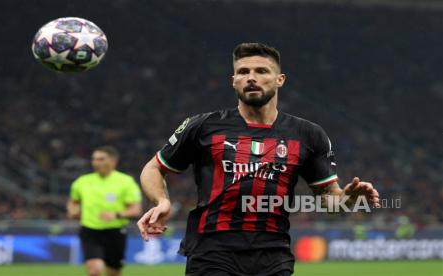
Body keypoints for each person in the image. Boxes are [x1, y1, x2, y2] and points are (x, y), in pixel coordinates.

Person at [137, 43, 380, 276]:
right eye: (243, 72)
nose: (251, 77)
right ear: (234, 81)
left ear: (279, 79)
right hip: (212, 251)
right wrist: (161, 201)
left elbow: (329, 198)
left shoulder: (308, 134)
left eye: (261, 71)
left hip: (274, 255)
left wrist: (348, 199)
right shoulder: (203, 126)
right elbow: (154, 167)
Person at [67, 146, 142, 276]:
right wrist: (72, 210)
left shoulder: (126, 182)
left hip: (115, 231)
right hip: (90, 231)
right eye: (94, 159)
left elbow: (136, 209)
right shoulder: (82, 182)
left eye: (101, 159)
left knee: (113, 272)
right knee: (94, 270)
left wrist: (116, 214)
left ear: (113, 161)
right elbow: (73, 202)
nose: (96, 162)